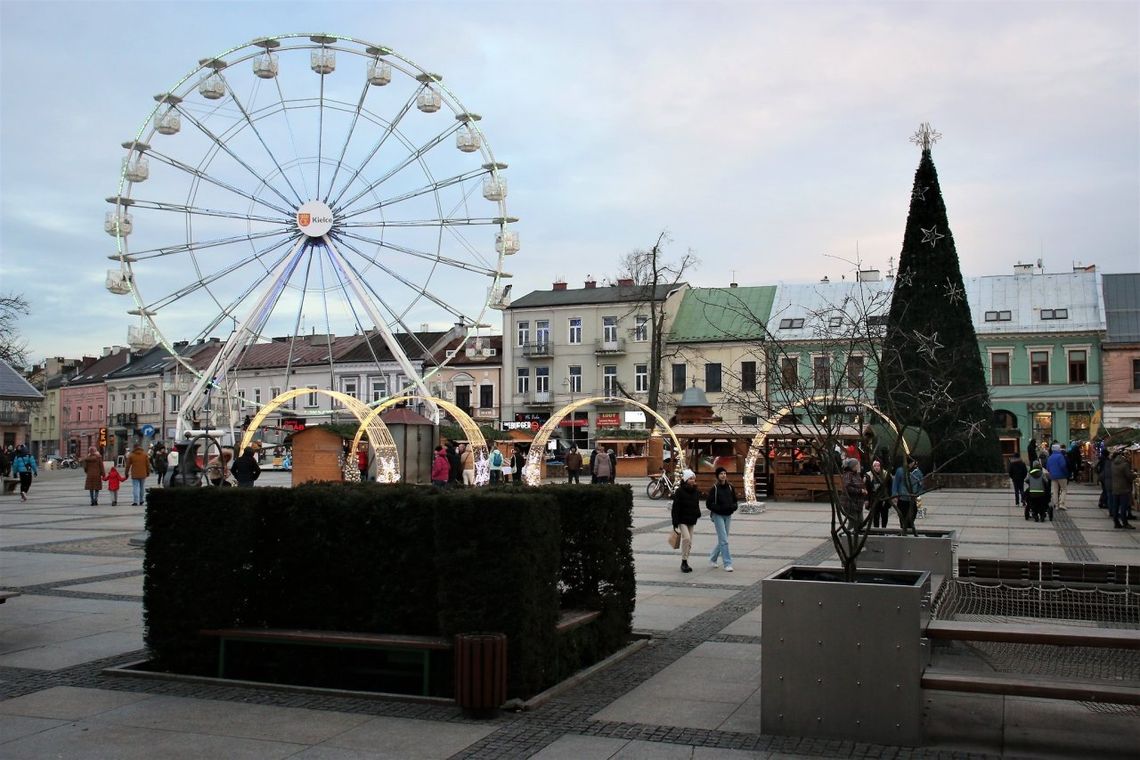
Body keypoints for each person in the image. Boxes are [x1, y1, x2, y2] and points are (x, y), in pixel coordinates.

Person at [706, 466, 738, 572]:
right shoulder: (714, 489)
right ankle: (727, 563)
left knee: (723, 539)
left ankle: (712, 558)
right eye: (721, 474)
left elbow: (735, 501)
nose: (723, 475)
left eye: (724, 473)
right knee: (724, 540)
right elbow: (709, 503)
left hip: (728, 515)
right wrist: (718, 508)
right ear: (717, 476)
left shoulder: (730, 487)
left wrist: (733, 507)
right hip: (718, 515)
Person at [671, 469, 701, 573]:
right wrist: (675, 522)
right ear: (685, 479)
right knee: (686, 538)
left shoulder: (696, 491)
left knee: (690, 542)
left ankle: (686, 560)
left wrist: (698, 513)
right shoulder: (679, 491)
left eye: (693, 478)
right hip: (682, 519)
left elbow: (696, 504)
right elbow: (675, 507)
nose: (693, 480)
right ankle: (684, 561)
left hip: (691, 519)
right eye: (690, 478)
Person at [891, 459, 923, 532]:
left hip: (912, 499)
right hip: (902, 498)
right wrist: (895, 494)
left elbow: (921, 484)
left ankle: (910, 528)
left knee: (912, 515)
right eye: (912, 463)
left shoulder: (917, 473)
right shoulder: (900, 471)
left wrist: (918, 493)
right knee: (903, 516)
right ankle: (904, 530)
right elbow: (895, 483)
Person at [1108, 447, 1135, 529]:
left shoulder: (1113, 464)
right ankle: (1125, 522)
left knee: (1116, 506)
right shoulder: (1125, 465)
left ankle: (1116, 522)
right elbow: (1129, 476)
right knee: (1123, 506)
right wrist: (1134, 475)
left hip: (1115, 488)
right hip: (1124, 488)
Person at [865, 460, 892, 528]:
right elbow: (866, 489)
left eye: (878, 466)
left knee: (884, 516)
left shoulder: (886, 474)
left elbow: (890, 487)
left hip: (884, 499)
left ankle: (884, 529)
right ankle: (876, 530)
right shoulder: (868, 475)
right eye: (875, 466)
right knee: (875, 516)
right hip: (874, 499)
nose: (877, 467)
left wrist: (890, 498)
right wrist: (866, 499)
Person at [841, 458, 866, 526]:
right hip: (850, 503)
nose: (859, 466)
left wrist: (864, 490)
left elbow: (860, 484)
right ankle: (848, 535)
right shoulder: (848, 475)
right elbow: (847, 487)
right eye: (857, 465)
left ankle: (856, 535)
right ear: (853, 466)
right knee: (853, 522)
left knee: (860, 522)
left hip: (858, 503)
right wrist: (860, 491)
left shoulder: (856, 474)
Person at [1045, 443, 1070, 510]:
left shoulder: (1050, 457)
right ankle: (1062, 503)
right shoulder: (1060, 456)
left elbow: (1047, 467)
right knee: (1064, 489)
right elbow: (1063, 465)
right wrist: (1066, 474)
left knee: (1055, 491)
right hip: (1062, 475)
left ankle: (1056, 505)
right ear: (1058, 449)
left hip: (1053, 476)